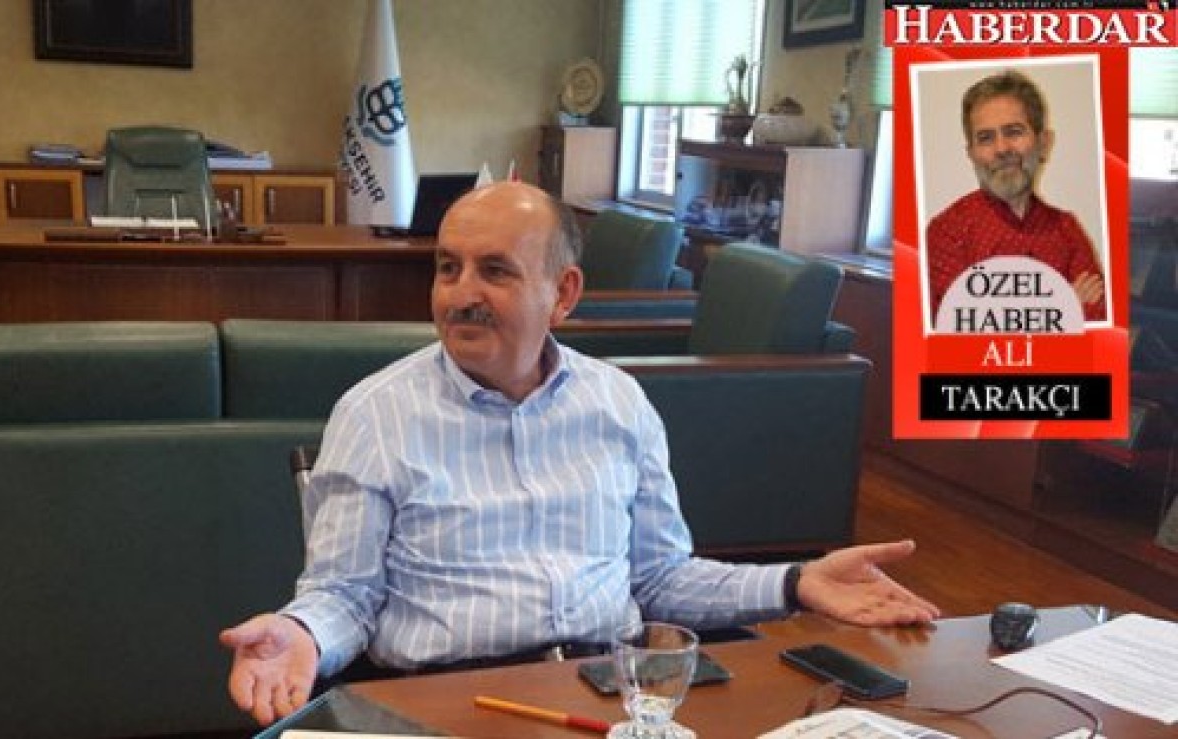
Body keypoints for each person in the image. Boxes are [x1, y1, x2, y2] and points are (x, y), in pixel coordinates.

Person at [220, 182, 940, 727]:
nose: (461, 295)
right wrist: (301, 632)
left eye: (494, 271)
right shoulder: (375, 414)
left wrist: (797, 582)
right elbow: (345, 595)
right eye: (448, 268)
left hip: (613, 695)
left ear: (563, 293)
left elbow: (659, 576)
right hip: (442, 702)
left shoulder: (618, 402)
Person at [926, 69, 1106, 323]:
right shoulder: (947, 232)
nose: (1001, 148)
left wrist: (997, 313)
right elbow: (960, 330)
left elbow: (1096, 320)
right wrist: (1064, 305)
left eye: (1013, 132)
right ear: (971, 153)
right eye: (986, 138)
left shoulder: (1068, 231)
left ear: (1044, 143)